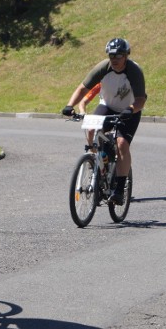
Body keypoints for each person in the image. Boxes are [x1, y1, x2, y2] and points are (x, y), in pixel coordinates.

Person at [62, 38, 147, 205]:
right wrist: (69, 105)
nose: (114, 59)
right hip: (107, 106)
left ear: (126, 56)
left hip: (129, 110)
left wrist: (130, 110)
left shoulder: (134, 71)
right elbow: (82, 88)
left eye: (119, 56)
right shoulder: (103, 68)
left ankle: (119, 188)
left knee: (122, 144)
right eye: (111, 55)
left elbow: (140, 100)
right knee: (91, 127)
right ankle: (95, 162)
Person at [77, 83, 101, 148]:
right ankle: (92, 152)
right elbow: (82, 102)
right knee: (90, 130)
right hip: (103, 111)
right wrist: (82, 112)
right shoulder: (100, 85)